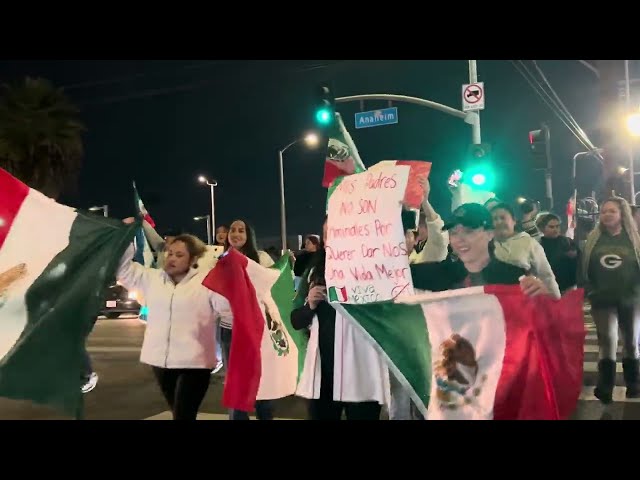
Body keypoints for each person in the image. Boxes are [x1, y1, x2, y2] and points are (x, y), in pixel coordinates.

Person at [117, 220, 225, 420]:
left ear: (193, 259)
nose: (171, 258)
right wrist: (125, 237)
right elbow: (123, 271)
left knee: (183, 414)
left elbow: (229, 310)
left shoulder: (206, 284)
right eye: (169, 253)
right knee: (180, 413)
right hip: (161, 362)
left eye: (179, 255)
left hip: (195, 363)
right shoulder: (153, 279)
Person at [292, 217, 388, 420]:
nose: (333, 239)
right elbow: (295, 320)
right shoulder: (313, 272)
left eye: (338, 232)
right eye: (328, 234)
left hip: (361, 371)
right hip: (324, 375)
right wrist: (309, 305)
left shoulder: (372, 269)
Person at [410, 203, 549, 296]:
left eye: (469, 231)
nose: (459, 239)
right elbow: (396, 278)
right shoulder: (439, 273)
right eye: (453, 232)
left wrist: (542, 295)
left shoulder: (513, 277)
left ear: (490, 233)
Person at [580, 197, 640, 403]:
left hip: (631, 300)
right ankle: (605, 387)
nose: (607, 215)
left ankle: (634, 384)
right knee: (607, 341)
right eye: (604, 211)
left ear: (622, 214)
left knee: (631, 342)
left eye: (612, 211)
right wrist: (589, 290)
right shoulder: (593, 239)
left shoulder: (634, 239)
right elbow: (584, 268)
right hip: (602, 299)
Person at [220, 219, 275, 420]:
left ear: (248, 234)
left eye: (241, 230)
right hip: (230, 329)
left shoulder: (261, 258)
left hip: (257, 328)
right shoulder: (220, 259)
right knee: (236, 382)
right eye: (232, 230)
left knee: (261, 378)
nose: (236, 234)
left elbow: (274, 285)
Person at [489, 203, 561, 298]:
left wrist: (555, 301)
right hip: (493, 304)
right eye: (494, 219)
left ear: (514, 221)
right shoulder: (485, 245)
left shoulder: (528, 243)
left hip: (522, 303)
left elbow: (546, 276)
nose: (498, 222)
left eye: (502, 218)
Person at [537, 213, 578, 293]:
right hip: (548, 288)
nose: (555, 229)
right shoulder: (538, 245)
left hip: (569, 287)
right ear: (542, 228)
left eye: (557, 226)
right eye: (551, 227)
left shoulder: (567, 241)